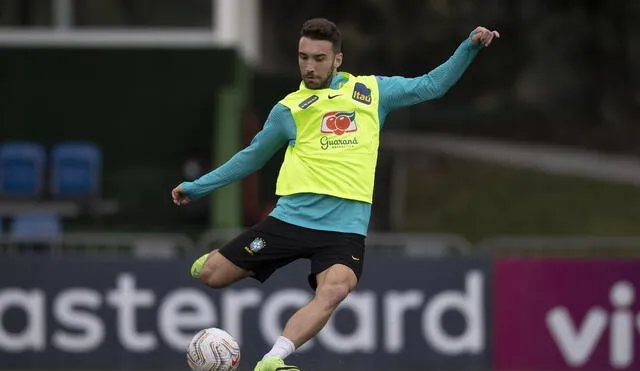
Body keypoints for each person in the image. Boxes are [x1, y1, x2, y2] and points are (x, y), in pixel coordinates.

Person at [172, 17, 500, 371]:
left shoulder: (373, 92)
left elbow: (432, 85)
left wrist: (469, 47)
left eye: (318, 58)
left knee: (335, 289)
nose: (309, 67)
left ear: (337, 60)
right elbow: (250, 159)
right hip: (291, 219)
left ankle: (272, 361)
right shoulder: (288, 110)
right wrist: (197, 186)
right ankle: (213, 261)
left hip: (344, 230)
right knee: (212, 277)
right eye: (303, 58)